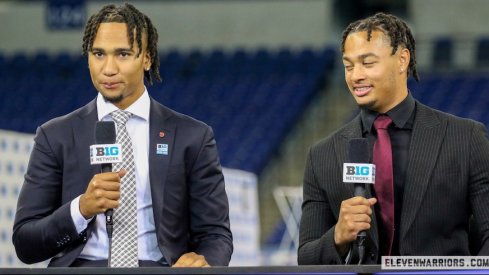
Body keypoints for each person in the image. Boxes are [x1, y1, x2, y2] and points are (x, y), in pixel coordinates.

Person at [13, 3, 232, 267]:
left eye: (123, 54)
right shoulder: (54, 136)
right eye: (98, 54)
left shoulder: (192, 137)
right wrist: (81, 209)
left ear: (147, 58)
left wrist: (203, 260)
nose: (108, 68)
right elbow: (25, 243)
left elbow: (216, 234)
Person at [298, 12, 489, 265]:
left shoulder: (466, 139)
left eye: (368, 63)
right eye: (348, 65)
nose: (355, 76)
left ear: (402, 60)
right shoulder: (321, 156)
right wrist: (337, 236)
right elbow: (306, 258)